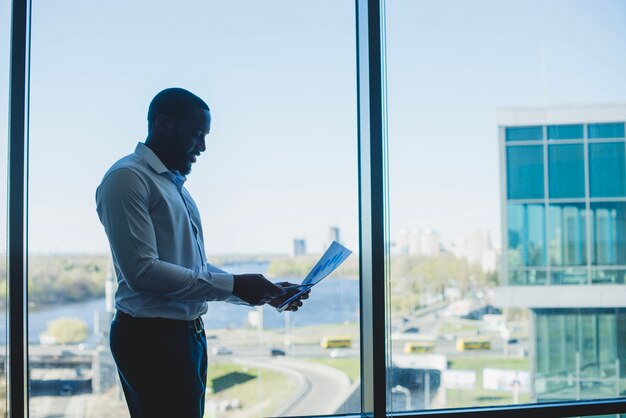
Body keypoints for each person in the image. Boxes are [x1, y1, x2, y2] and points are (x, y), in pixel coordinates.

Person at [96, 87, 306, 418]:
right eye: (197, 134)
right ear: (163, 124)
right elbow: (143, 273)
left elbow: (192, 267)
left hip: (185, 333)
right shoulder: (127, 179)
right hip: (151, 339)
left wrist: (265, 292)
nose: (203, 147)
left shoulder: (173, 187)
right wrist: (236, 285)